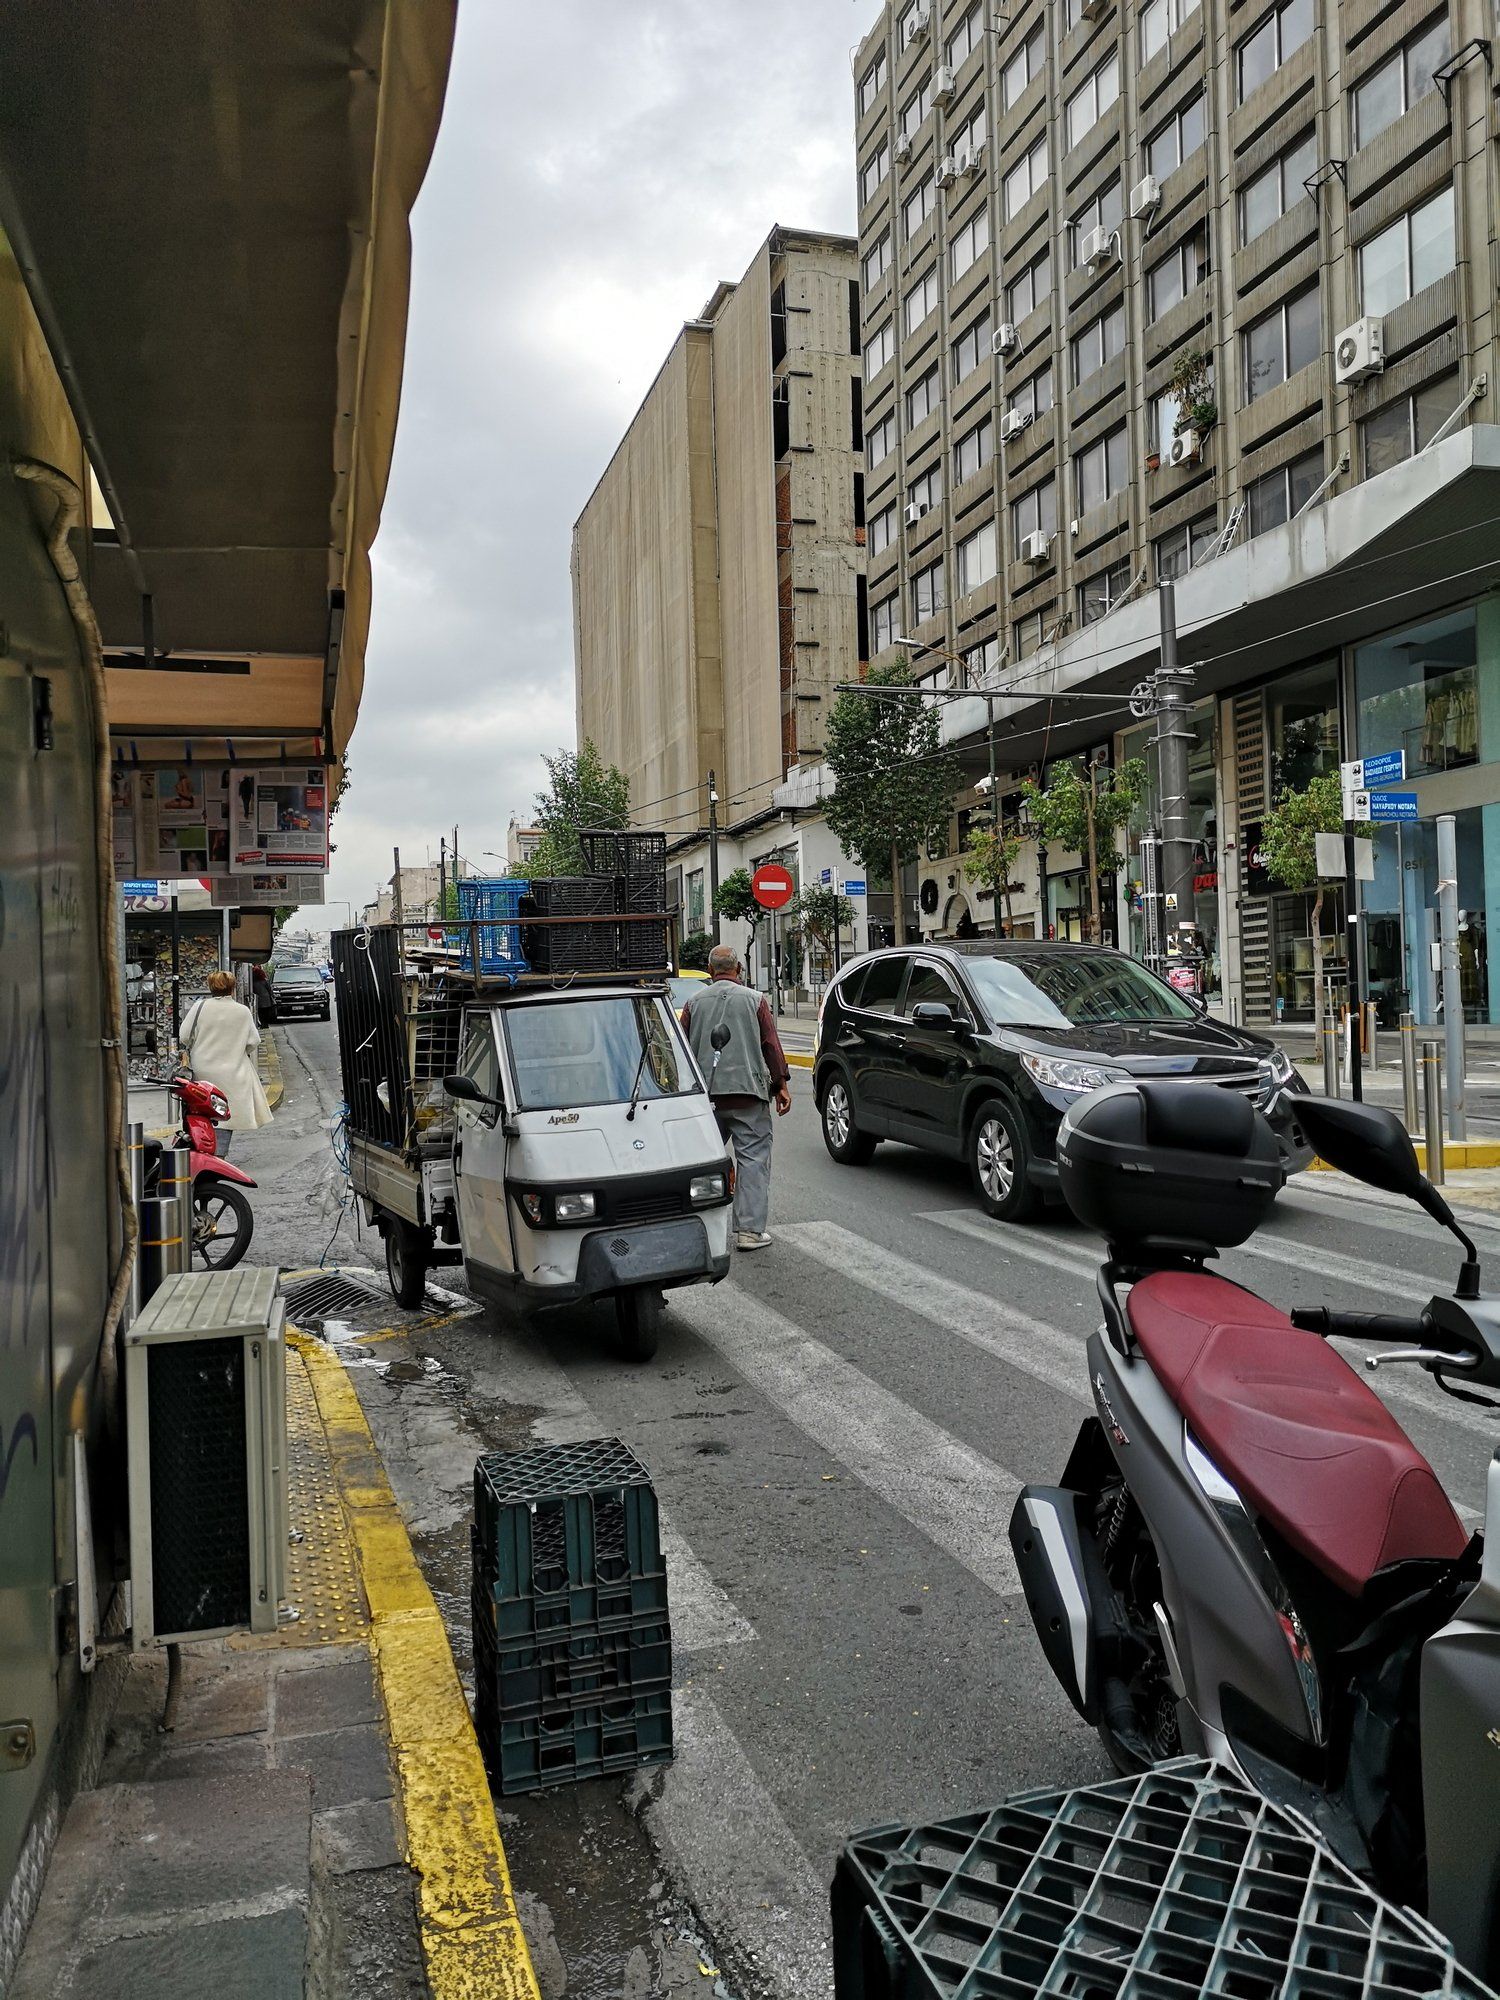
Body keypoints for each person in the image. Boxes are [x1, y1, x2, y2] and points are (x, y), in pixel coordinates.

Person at [680, 943, 791, 1251]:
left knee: (699, 1163)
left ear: (709, 969)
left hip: (704, 1098)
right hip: (748, 1095)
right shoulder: (755, 1000)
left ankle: (696, 1228)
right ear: (739, 969)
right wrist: (781, 1084)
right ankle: (750, 1232)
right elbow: (771, 1045)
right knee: (753, 1160)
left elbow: (680, 1050)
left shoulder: (693, 1003)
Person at [178, 969, 273, 1130]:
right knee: (228, 1115)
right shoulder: (242, 1011)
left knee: (204, 1108)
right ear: (233, 988)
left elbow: (185, 1036)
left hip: (203, 1069)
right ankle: (221, 1141)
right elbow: (254, 1041)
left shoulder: (199, 1007)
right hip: (233, 1070)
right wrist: (237, 1050)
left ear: (211, 987)